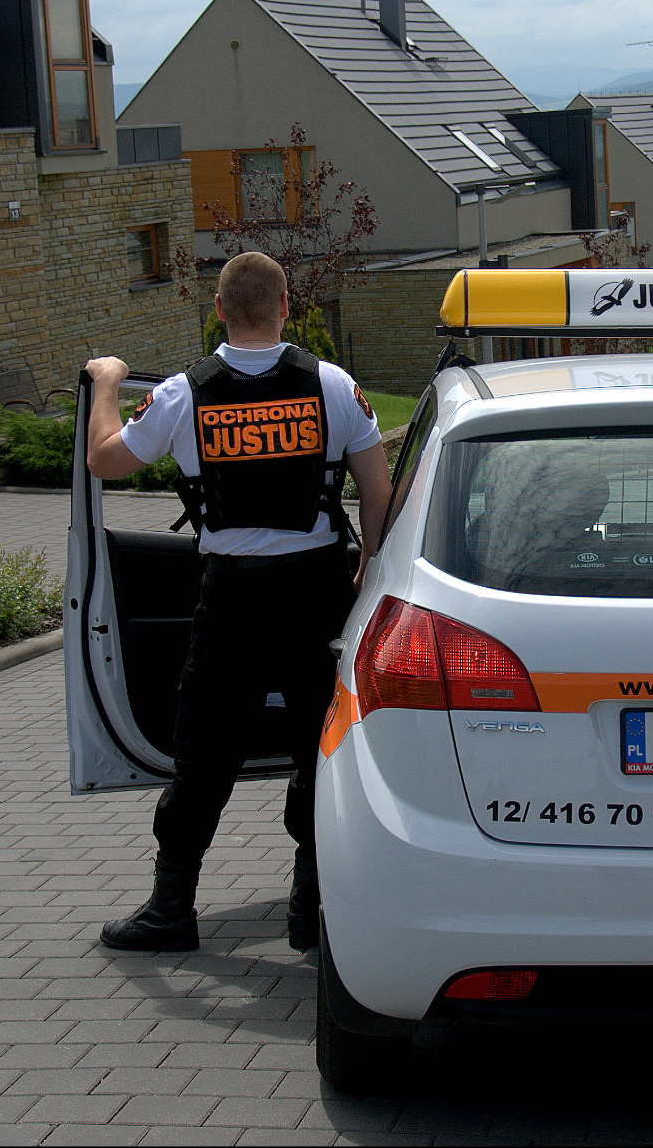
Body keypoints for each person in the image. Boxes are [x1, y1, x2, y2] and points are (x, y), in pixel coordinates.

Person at [83, 252, 392, 953]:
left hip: (229, 597)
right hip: (317, 593)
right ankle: (310, 908)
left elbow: (104, 457)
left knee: (204, 754)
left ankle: (171, 908)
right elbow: (377, 494)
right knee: (324, 749)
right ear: (286, 304)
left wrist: (105, 380)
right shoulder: (334, 386)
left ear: (219, 308)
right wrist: (368, 574)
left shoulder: (186, 394)